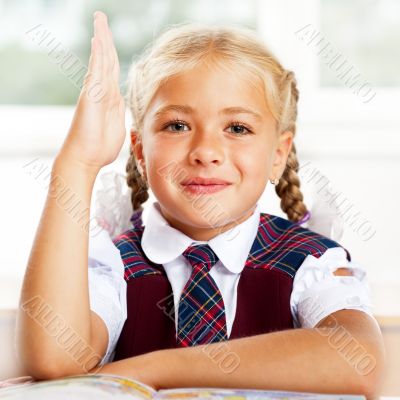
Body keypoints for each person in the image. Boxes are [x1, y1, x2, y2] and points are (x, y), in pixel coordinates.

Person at [16, 10, 385, 398]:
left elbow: (358, 359)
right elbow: (54, 360)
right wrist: (78, 162)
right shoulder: (113, 263)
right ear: (140, 151)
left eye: (237, 128)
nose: (206, 152)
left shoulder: (311, 261)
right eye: (177, 125)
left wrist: (147, 370)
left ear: (278, 154)